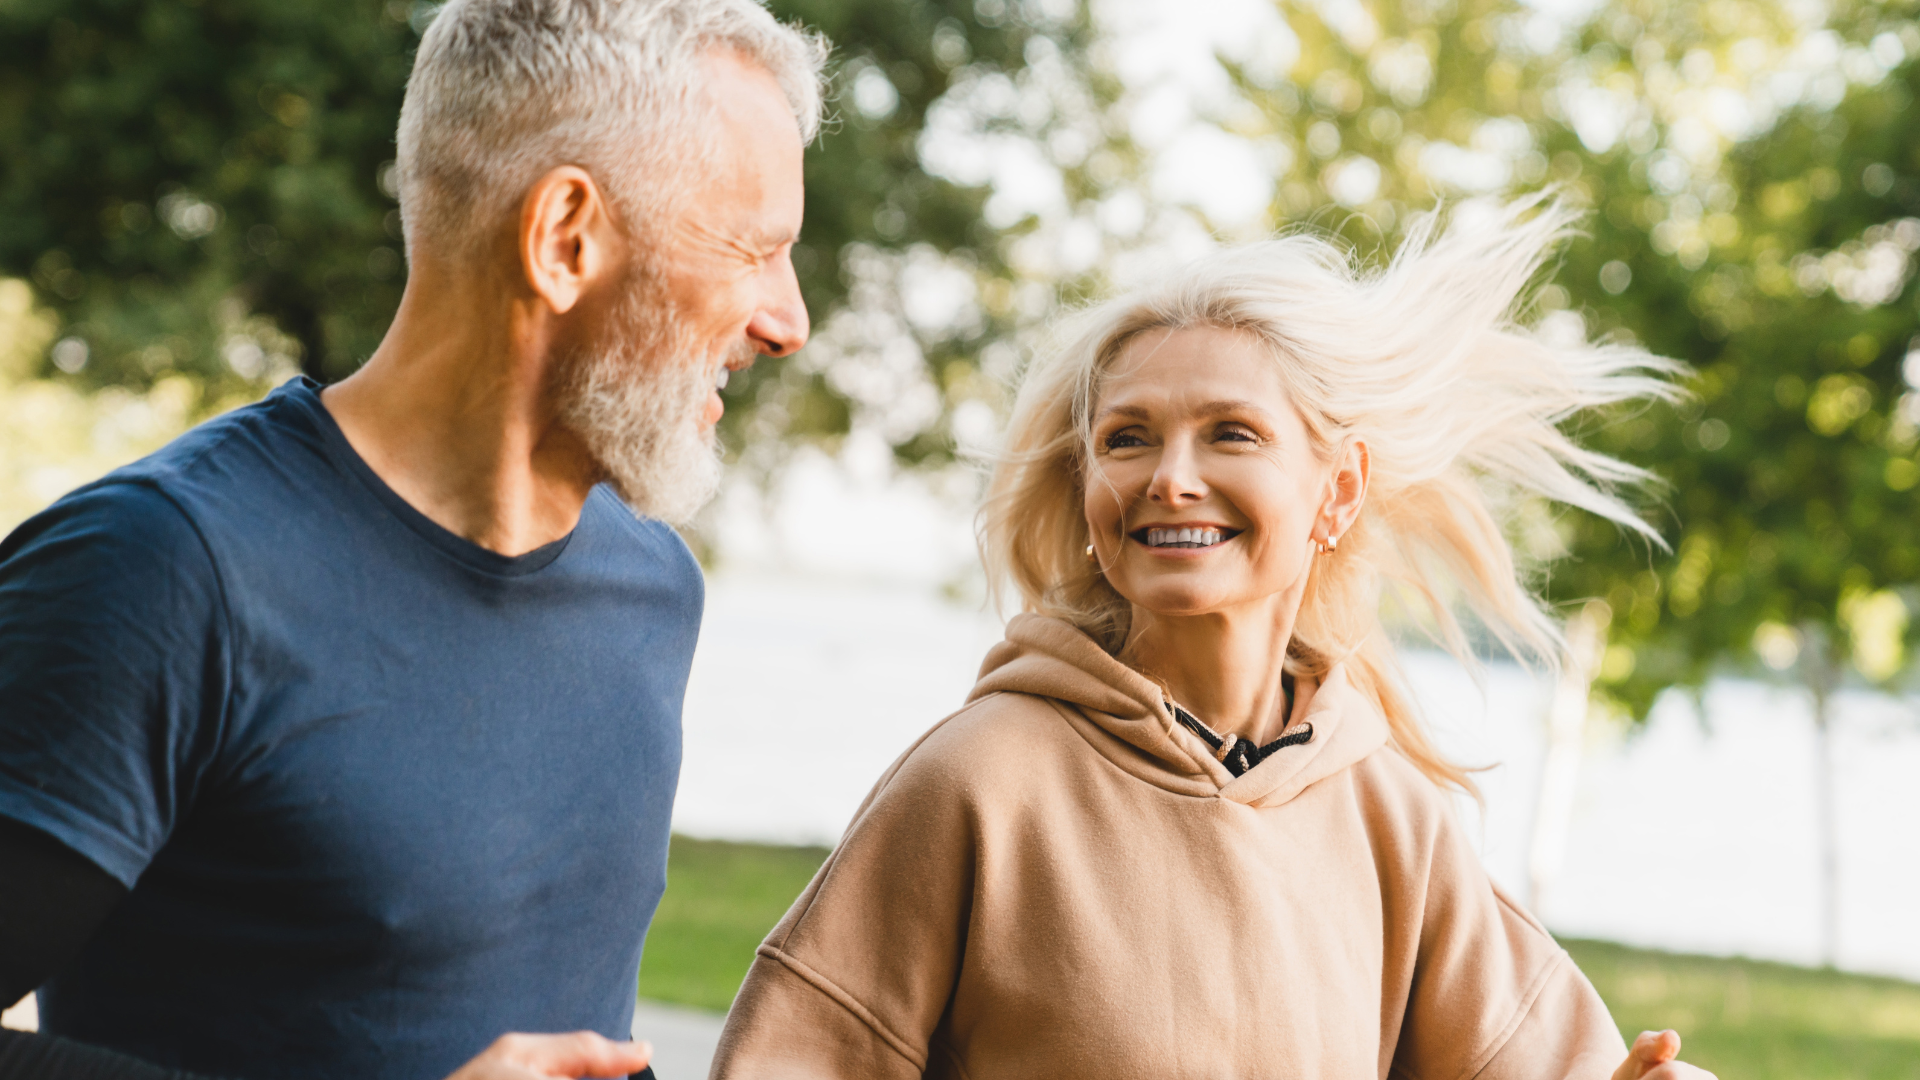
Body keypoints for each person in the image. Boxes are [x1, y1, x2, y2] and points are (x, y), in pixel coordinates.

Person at [709, 197, 1717, 1079]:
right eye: (1127, 438)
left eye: (1231, 433)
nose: (1170, 479)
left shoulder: (1393, 819)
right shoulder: (977, 783)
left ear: (1341, 486)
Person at [0, 1, 825, 1078]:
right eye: (754, 248)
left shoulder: (652, 587)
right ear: (565, 238)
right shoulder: (159, 571)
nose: (789, 320)